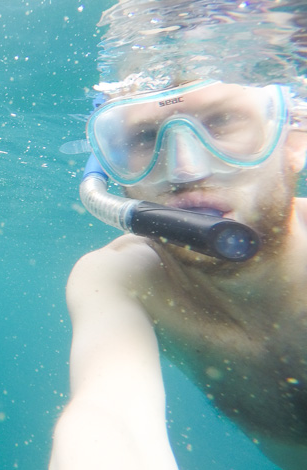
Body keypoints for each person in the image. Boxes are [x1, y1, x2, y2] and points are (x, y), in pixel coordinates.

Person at [49, 80, 307, 469]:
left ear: (293, 142)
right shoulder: (126, 278)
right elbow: (107, 417)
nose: (186, 169)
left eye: (221, 120)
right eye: (145, 136)